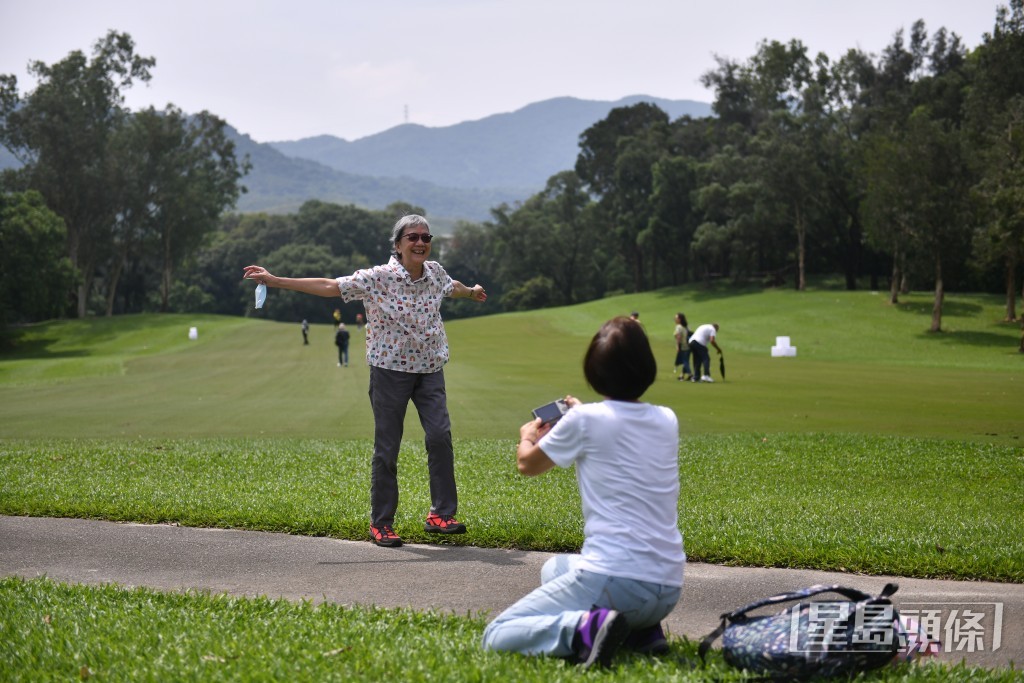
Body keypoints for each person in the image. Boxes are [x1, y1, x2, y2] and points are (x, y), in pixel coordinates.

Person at [243, 214, 488, 547]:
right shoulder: (378, 277)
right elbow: (331, 287)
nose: (420, 243)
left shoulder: (435, 273)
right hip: (389, 370)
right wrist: (276, 281)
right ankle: (382, 522)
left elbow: (452, 287)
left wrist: (472, 292)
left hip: (430, 368)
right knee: (388, 446)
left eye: (426, 237)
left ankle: (441, 514)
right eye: (412, 237)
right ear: (398, 245)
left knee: (440, 436)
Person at [482, 317, 684, 669]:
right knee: (554, 569)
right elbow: (613, 425)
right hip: (666, 588)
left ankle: (584, 632)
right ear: (647, 368)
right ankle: (643, 633)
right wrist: (579, 414)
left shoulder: (585, 421)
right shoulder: (667, 418)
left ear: (594, 371)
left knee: (497, 634)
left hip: (615, 579)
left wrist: (528, 435)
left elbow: (527, 464)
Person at [673, 312, 692, 381]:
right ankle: (682, 375)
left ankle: (690, 374)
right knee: (686, 360)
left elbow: (678, 336)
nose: (675, 319)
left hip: (683, 346)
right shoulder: (687, 326)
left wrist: (677, 346)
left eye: (676, 318)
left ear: (680, 319)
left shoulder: (679, 327)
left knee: (685, 361)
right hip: (689, 345)